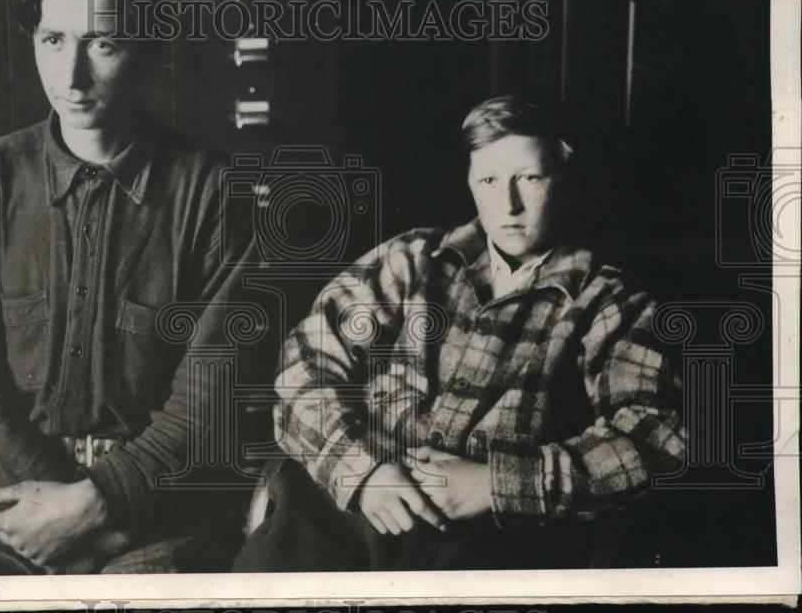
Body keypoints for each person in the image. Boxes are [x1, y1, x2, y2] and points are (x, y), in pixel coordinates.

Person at [0, 0, 257, 575]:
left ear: (149, 50)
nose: (71, 75)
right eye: (53, 41)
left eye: (103, 43)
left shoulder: (214, 192)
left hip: (158, 515)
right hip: (7, 508)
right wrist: (59, 513)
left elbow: (210, 393)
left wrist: (102, 504)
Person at [234, 95, 686, 571]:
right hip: (350, 500)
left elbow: (655, 439)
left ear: (565, 177)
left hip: (492, 535)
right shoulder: (411, 259)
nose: (507, 204)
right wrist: (361, 471)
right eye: (488, 180)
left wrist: (497, 482)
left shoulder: (609, 299)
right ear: (470, 181)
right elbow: (305, 362)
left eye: (529, 178)